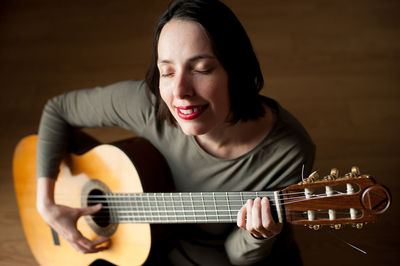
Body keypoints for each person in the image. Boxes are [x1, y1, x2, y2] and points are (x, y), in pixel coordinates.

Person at [36, 0, 315, 265]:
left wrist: (257, 235)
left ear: (236, 70)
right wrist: (47, 204)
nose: (180, 92)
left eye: (201, 69)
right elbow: (58, 110)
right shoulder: (149, 104)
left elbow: (237, 256)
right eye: (167, 72)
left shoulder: (289, 151)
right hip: (147, 244)